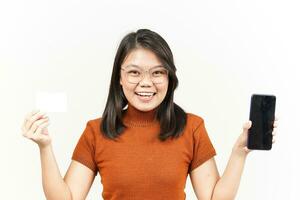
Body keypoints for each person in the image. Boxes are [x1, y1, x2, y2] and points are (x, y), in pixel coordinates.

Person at [21, 29, 278, 200]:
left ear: (169, 77)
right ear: (119, 78)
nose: (146, 82)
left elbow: (213, 198)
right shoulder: (96, 131)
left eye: (157, 72)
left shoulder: (191, 127)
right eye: (134, 72)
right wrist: (45, 147)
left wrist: (240, 152)